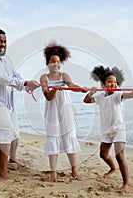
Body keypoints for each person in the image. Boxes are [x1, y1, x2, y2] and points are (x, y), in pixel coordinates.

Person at [0, 28, 39, 180]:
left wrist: (26, 86)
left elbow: (14, 76)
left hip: (8, 103)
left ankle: (13, 159)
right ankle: (3, 172)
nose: (2, 44)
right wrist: (24, 83)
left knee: (14, 133)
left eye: (4, 41)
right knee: (5, 135)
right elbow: (1, 77)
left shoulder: (7, 59)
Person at [83, 65, 133, 193]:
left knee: (119, 155)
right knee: (103, 154)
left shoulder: (117, 95)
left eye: (115, 82)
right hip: (106, 131)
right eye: (110, 82)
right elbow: (86, 100)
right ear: (103, 85)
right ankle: (113, 168)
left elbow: (130, 95)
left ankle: (126, 184)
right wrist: (91, 91)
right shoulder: (100, 97)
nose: (113, 84)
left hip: (119, 129)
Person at [39, 41, 87, 182]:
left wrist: (81, 89)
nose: (56, 64)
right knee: (53, 138)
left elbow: (71, 85)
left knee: (69, 137)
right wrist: (54, 89)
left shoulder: (64, 76)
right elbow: (48, 97)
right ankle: (53, 173)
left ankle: (74, 170)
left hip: (65, 111)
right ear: (48, 63)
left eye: (58, 62)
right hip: (52, 112)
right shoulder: (44, 78)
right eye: (53, 61)